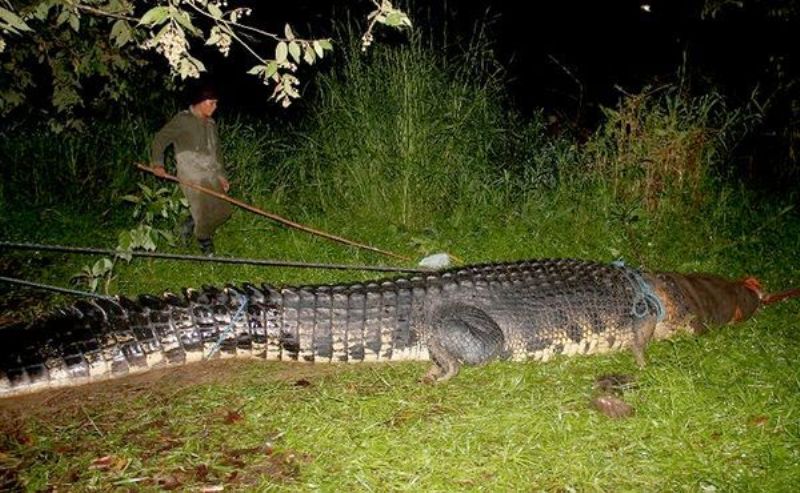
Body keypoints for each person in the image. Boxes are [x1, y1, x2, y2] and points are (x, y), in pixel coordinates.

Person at [150, 85, 232, 256]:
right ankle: (205, 241)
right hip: (191, 173)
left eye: (216, 103)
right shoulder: (183, 120)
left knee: (224, 211)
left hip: (210, 173)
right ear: (200, 102)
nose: (214, 107)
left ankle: (188, 224)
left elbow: (217, 152)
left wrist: (222, 176)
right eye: (211, 103)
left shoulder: (211, 124)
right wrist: (158, 164)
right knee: (203, 211)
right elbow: (160, 139)